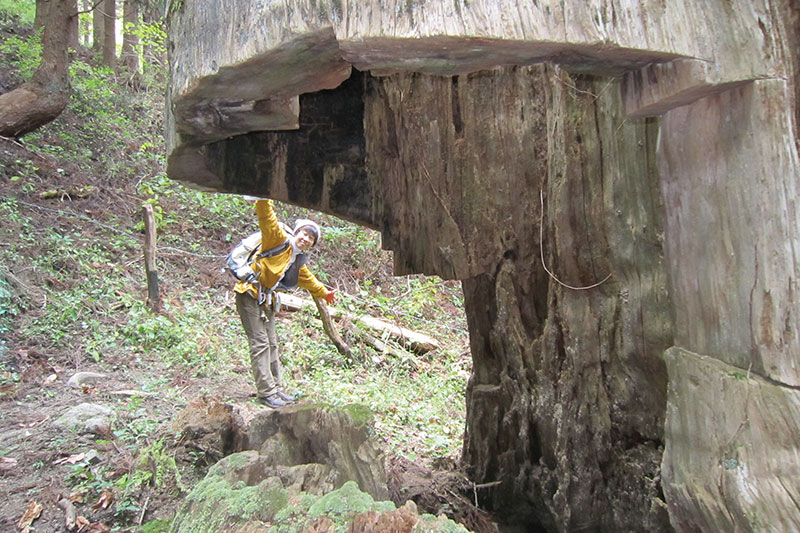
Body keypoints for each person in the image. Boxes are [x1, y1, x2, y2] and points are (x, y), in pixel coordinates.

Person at [233, 198, 336, 408]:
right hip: (249, 294)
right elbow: (267, 219)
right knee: (260, 343)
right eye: (304, 234)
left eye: (311, 238)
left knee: (271, 343)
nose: (306, 239)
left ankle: (277, 389)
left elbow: (310, 281)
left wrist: (325, 294)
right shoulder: (277, 239)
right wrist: (264, 198)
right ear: (296, 232)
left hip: (267, 299)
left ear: (313, 245)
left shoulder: (298, 261)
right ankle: (266, 392)